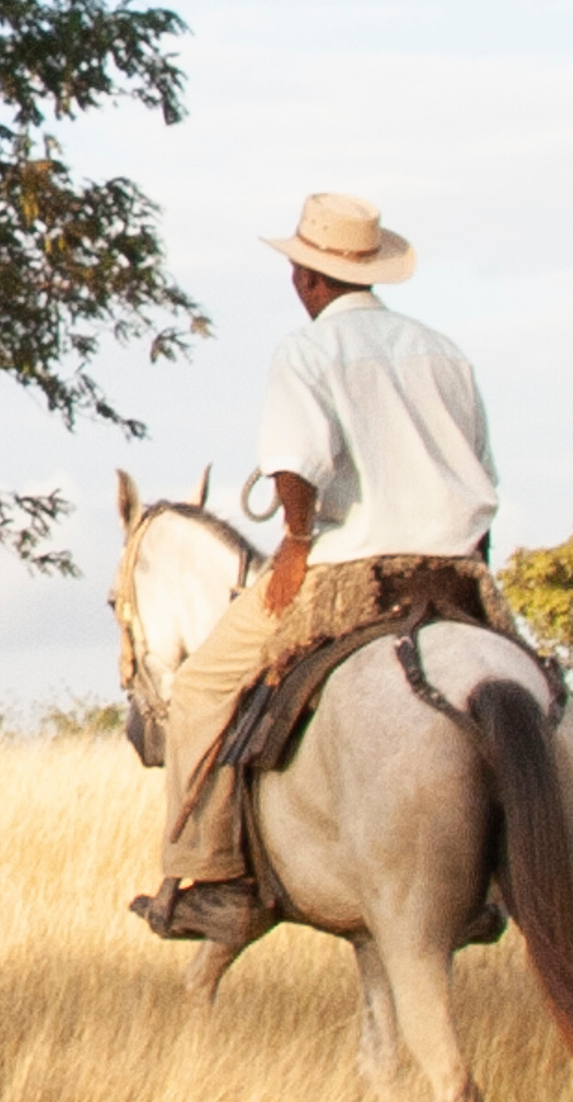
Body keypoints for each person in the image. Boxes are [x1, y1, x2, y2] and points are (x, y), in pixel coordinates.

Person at [139, 191, 503, 942]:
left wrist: (298, 542)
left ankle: (213, 876)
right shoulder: (446, 353)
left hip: (351, 569)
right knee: (531, 690)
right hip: (457, 573)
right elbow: (483, 476)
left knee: (204, 685)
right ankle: (497, 879)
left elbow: (294, 463)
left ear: (308, 279)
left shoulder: (305, 351)